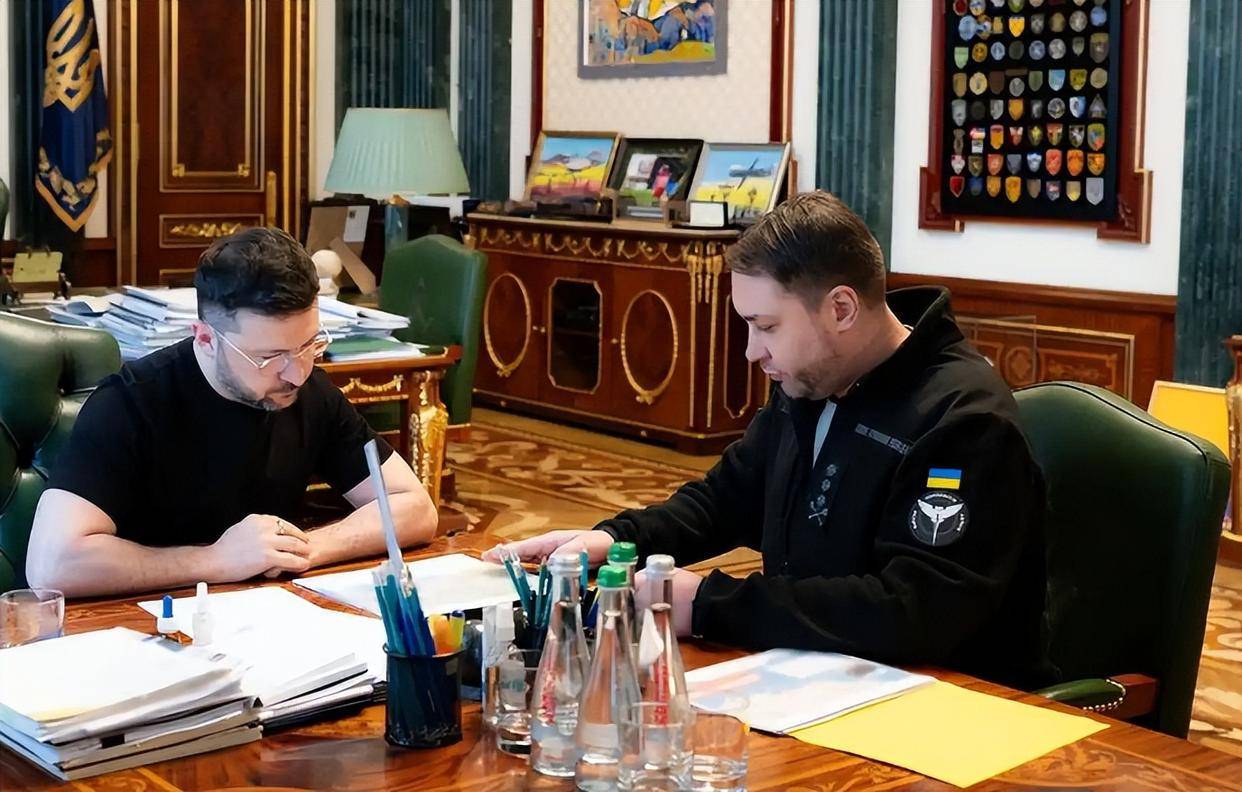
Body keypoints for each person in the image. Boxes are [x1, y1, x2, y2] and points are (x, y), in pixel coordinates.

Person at [485, 191, 1050, 688]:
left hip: (950, 702)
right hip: (817, 673)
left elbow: (915, 611)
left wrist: (708, 604)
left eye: (767, 326)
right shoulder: (813, 378)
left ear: (841, 309)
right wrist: (614, 540)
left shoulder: (964, 421)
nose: (753, 351)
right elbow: (726, 498)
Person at [26, 227, 437, 598]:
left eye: (309, 345)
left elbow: (414, 507)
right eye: (270, 356)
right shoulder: (130, 404)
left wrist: (301, 548)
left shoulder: (310, 392)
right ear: (205, 338)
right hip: (150, 623)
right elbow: (52, 566)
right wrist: (218, 560)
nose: (296, 372)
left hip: (266, 613)